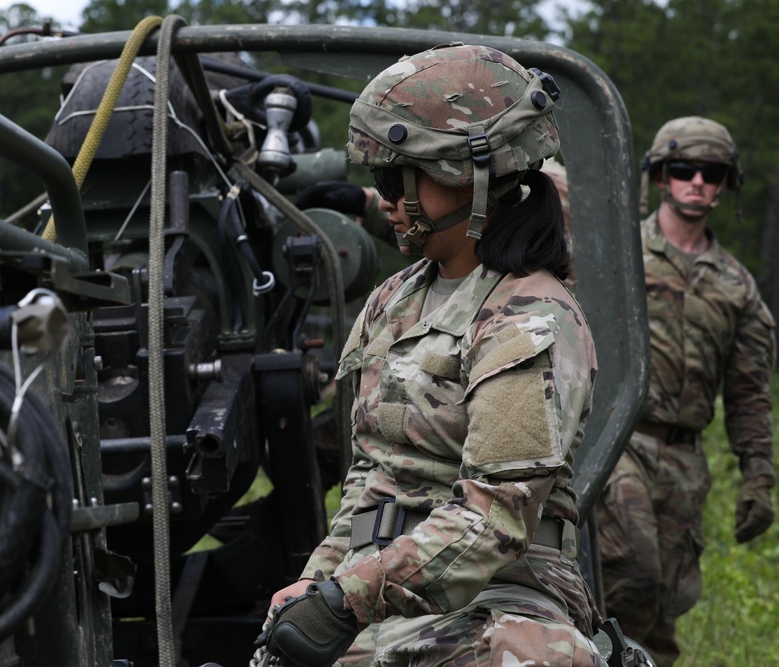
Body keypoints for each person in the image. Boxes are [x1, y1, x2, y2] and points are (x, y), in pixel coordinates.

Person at [256, 44, 605, 666]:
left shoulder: (530, 318)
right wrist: (315, 587)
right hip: (379, 593)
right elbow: (371, 474)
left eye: (396, 178)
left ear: (465, 178)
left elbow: (495, 520)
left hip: (502, 595)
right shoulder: (395, 298)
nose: (382, 197)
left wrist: (347, 599)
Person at [596, 116, 776, 667]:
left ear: (725, 185)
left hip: (684, 463)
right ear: (659, 177)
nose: (697, 180)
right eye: (683, 168)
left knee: (666, 605)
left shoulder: (737, 287)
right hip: (616, 442)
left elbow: (748, 392)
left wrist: (759, 476)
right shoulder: (617, 253)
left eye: (711, 171)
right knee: (633, 573)